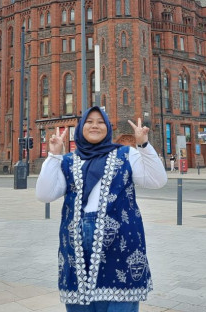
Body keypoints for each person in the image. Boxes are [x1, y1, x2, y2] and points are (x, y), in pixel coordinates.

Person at [36, 106, 167, 310]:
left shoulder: (126, 154)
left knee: (119, 304)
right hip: (76, 250)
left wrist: (143, 144)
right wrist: (53, 156)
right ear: (80, 127)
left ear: (107, 127)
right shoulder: (68, 161)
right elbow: (44, 194)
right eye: (89, 121)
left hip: (122, 245)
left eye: (100, 121)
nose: (95, 125)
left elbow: (157, 180)